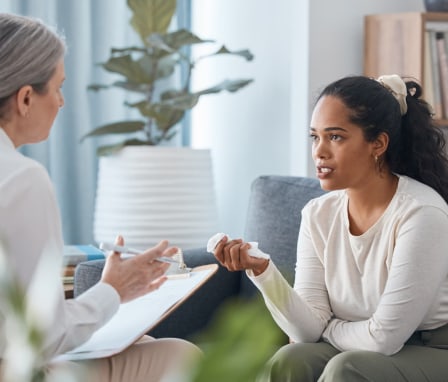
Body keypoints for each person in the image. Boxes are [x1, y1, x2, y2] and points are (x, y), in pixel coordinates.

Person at [0, 12, 201, 382]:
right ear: (26, 97)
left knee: (142, 347)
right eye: (58, 88)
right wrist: (114, 289)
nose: (61, 103)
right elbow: (40, 337)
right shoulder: (21, 178)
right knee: (180, 356)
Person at [212, 74, 448, 381]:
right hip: (358, 343)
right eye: (315, 137)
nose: (319, 152)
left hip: (434, 349)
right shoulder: (318, 214)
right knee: (290, 358)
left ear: (378, 144)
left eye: (335, 137)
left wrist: (329, 329)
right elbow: (307, 330)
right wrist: (263, 272)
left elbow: (384, 338)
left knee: (345, 368)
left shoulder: (422, 213)